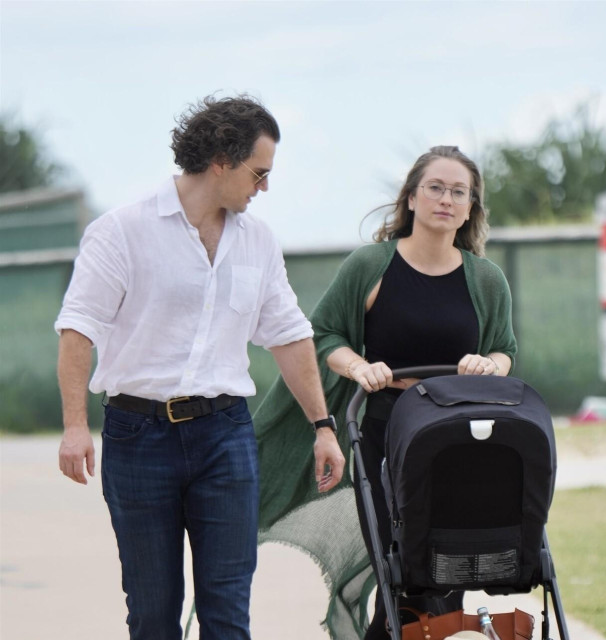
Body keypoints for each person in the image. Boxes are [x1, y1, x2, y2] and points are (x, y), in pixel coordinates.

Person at [55, 94, 345, 640]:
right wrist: (75, 425)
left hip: (225, 436)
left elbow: (288, 335)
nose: (264, 187)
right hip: (138, 437)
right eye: (258, 173)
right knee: (153, 612)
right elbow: (78, 330)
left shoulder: (257, 241)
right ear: (221, 159)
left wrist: (322, 426)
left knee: (228, 611)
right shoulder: (121, 232)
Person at [254, 146, 516, 639]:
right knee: (403, 567)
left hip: (456, 433)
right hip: (384, 428)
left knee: (446, 573)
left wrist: (489, 364)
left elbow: (504, 349)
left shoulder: (486, 279)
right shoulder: (370, 265)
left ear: (470, 207)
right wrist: (358, 366)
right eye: (435, 188)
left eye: (459, 192)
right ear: (412, 198)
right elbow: (326, 334)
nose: (446, 199)